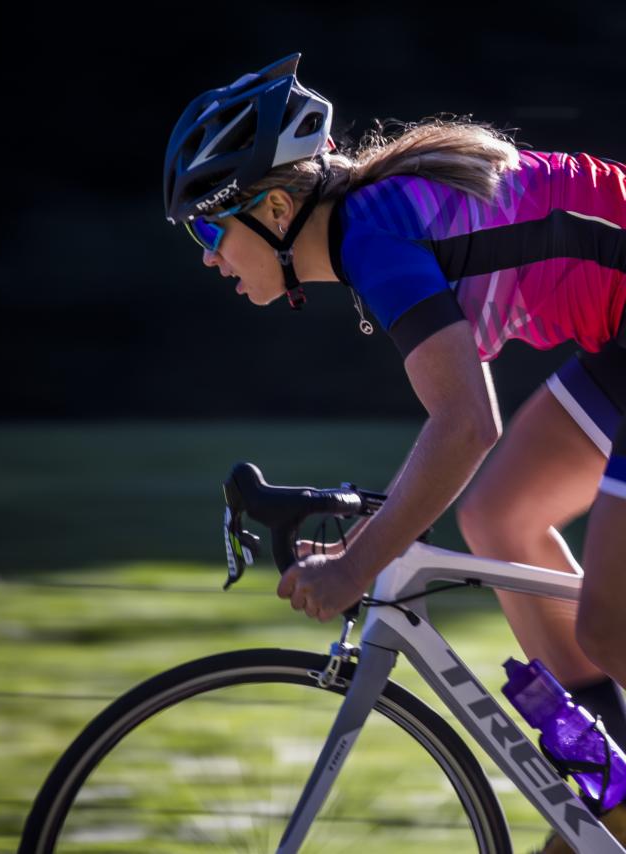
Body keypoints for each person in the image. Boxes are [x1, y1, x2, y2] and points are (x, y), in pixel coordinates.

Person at [164, 54, 626, 851]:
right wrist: (363, 546)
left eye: (211, 228)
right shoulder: (374, 224)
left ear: (274, 209)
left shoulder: (370, 238)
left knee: (611, 625)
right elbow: (464, 441)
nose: (209, 256)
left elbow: (465, 427)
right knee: (499, 514)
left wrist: (353, 566)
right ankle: (614, 787)